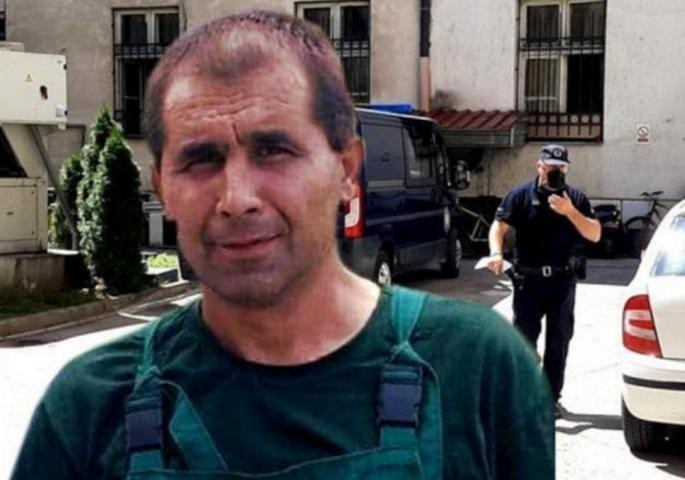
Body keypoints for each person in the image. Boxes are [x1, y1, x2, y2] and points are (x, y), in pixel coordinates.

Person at [12, 11, 553, 479]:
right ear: (163, 189)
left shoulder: (478, 371)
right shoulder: (89, 408)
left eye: (274, 151)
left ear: (346, 172)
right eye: (200, 160)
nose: (237, 199)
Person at [487, 144, 600, 415]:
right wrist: (495, 252)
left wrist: (570, 211)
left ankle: (550, 398)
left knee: (558, 341)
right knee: (523, 341)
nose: (555, 172)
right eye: (550, 167)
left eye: (561, 168)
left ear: (567, 169)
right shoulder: (520, 195)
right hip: (528, 280)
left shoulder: (575, 198)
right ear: (539, 166)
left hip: (562, 280)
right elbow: (498, 227)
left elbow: (595, 234)